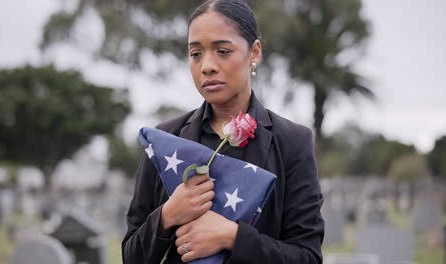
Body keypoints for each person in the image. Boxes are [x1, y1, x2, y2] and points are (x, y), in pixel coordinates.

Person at [122, 0, 324, 263]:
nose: (207, 66)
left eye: (222, 51)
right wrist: (168, 215)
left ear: (254, 53)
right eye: (196, 54)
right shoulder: (164, 139)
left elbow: (307, 257)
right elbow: (131, 256)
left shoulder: (292, 142)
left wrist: (232, 236)